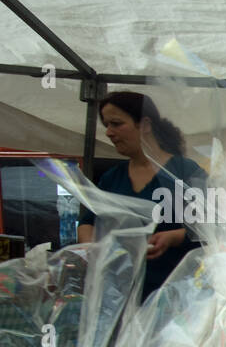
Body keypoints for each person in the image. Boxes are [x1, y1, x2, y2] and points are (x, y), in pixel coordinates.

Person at [78, 92, 204, 299]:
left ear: (145, 124)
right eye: (106, 125)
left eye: (116, 124)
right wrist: (93, 248)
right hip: (118, 294)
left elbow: (212, 226)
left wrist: (174, 237)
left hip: (174, 294)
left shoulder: (184, 172)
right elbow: (88, 222)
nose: (109, 133)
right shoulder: (112, 178)